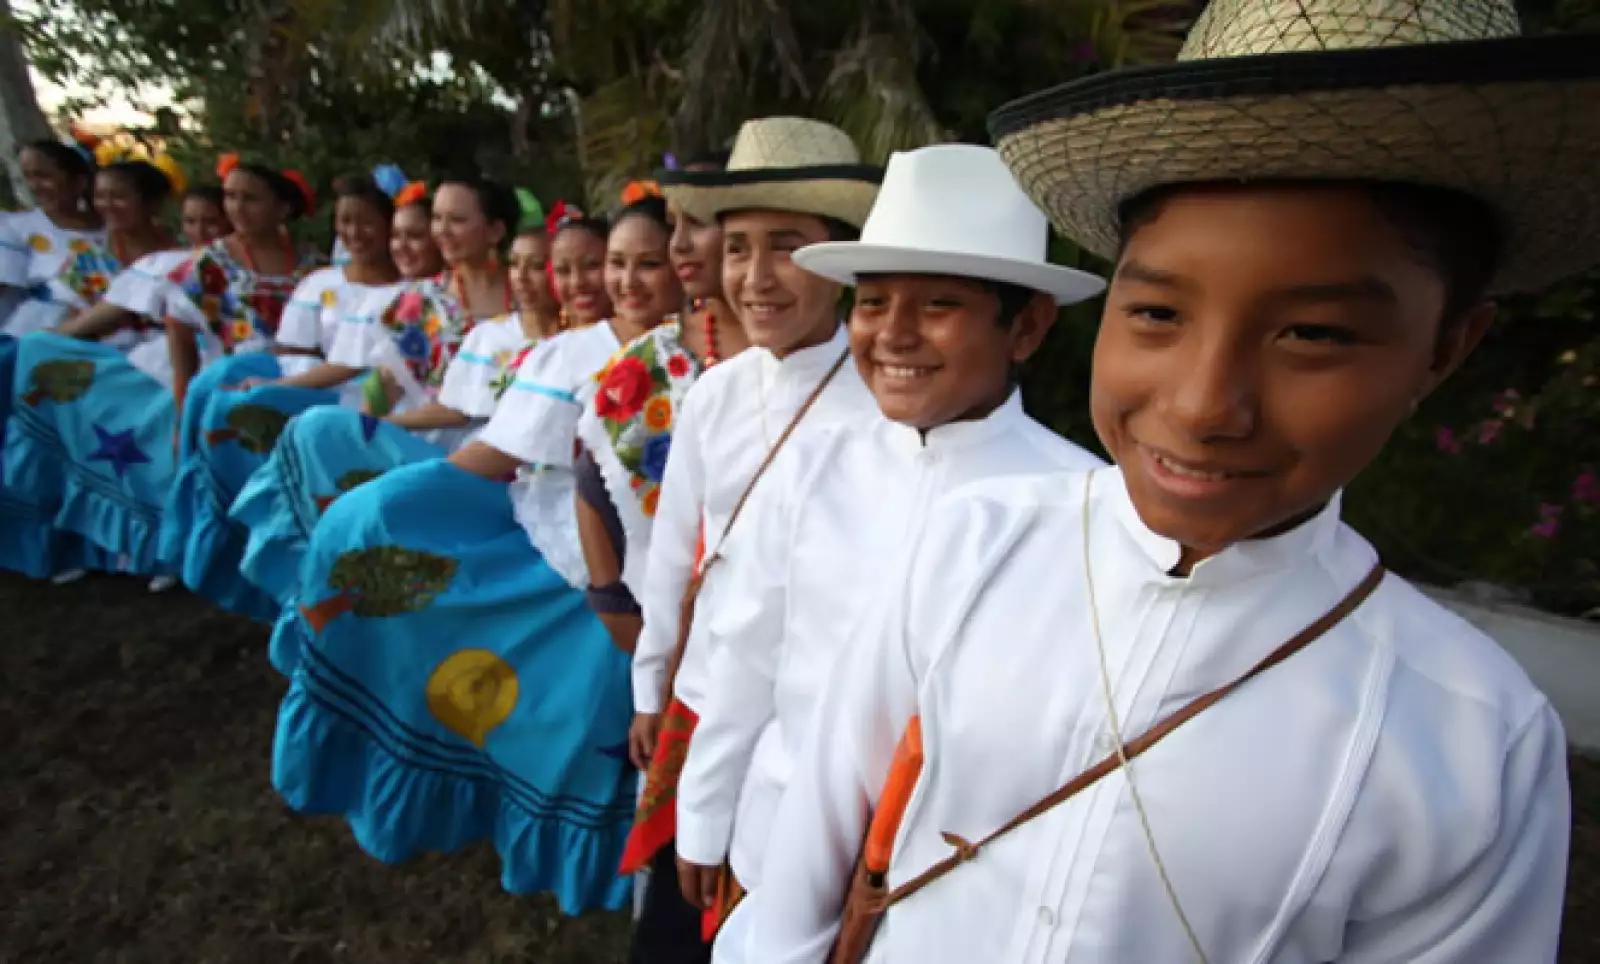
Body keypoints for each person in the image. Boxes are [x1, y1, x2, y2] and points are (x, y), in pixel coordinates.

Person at [750, 2, 1592, 961]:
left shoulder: (1472, 744)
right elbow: (807, 870)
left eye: (1312, 334)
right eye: (1156, 312)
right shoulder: (970, 546)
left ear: (1447, 349)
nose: (1201, 407)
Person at [676, 143, 1107, 963]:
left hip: (948, 894)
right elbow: (745, 654)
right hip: (776, 839)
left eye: (939, 303)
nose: (894, 334)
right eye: (872, 302)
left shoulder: (1081, 503)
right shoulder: (817, 463)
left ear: (1027, 326)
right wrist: (705, 811)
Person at [269, 195, 679, 915]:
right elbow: (497, 453)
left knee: (614, 707)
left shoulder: (699, 352)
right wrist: (397, 499)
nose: (624, 280)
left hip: (666, 554)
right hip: (568, 544)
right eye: (615, 263)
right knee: (570, 703)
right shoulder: (567, 353)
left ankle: (637, 848)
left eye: (647, 262)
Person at [617, 117, 882, 960]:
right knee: (674, 914)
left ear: (839, 261)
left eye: (788, 246)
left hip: (800, 724)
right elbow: (673, 556)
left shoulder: (880, 414)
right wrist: (652, 685)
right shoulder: (716, 395)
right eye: (738, 249)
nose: (756, 278)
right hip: (702, 696)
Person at [232, 195, 577, 671]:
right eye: (436, 220)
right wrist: (373, 424)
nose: (525, 276)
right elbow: (427, 396)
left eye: (540, 266)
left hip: (524, 475)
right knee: (323, 434)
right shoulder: (463, 322)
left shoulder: (577, 335)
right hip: (459, 454)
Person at [1, 153, 317, 587]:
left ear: (282, 209)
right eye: (232, 197)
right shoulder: (203, 266)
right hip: (219, 379)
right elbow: (180, 338)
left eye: (251, 199)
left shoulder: (311, 265)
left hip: (289, 379)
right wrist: (186, 402)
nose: (238, 209)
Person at [157, 168, 397, 617]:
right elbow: (293, 350)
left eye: (366, 222)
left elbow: (367, 366)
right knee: (227, 396)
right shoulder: (321, 281)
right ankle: (223, 542)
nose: (354, 233)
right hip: (310, 382)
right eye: (345, 222)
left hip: (361, 391)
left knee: (270, 409)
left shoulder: (408, 292)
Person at [575, 158, 746, 658]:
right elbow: (593, 488)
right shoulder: (648, 363)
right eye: (674, 227)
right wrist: (614, 607)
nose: (680, 246)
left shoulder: (831, 363)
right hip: (669, 637)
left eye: (699, 224)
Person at [0, 138, 104, 333]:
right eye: (27, 177)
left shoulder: (113, 230)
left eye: (43, 176)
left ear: (79, 182)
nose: (34, 186)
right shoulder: (15, 228)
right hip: (39, 336)